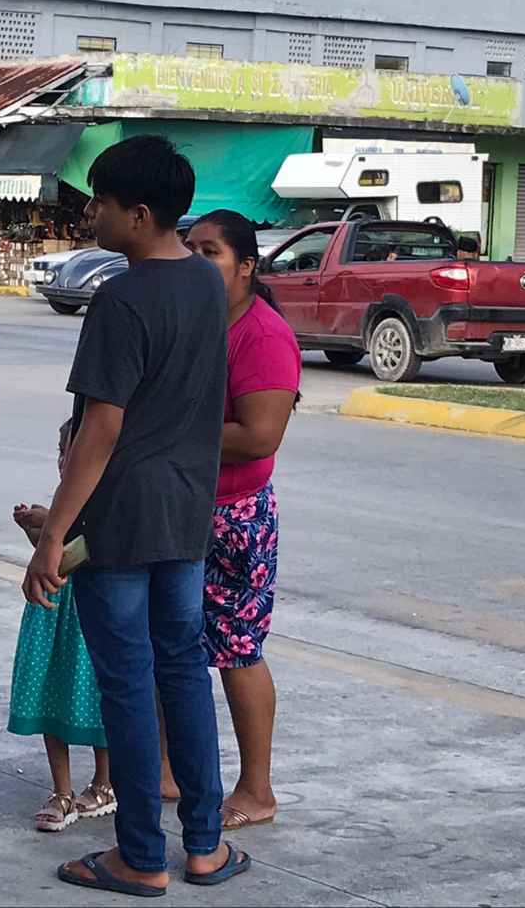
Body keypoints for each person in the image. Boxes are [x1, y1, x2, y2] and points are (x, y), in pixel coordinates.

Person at [25, 134, 250, 897]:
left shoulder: (121, 298)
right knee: (183, 672)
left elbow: (103, 427)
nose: (91, 213)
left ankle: (141, 856)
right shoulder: (201, 285)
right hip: (186, 513)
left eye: (102, 201)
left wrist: (53, 533)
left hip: (119, 519)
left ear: (139, 213)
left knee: (127, 681)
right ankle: (207, 847)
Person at [164, 210, 302, 832]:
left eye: (212, 251)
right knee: (170, 642)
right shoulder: (194, 322)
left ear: (247, 266)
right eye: (190, 248)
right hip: (179, 504)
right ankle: (168, 768)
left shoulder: (264, 336)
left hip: (234, 519)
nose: (196, 260)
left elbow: (259, 435)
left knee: (236, 649)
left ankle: (256, 789)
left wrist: (161, 434)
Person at [10, 419, 114, 832]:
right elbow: (56, 556)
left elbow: (90, 546)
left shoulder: (106, 504)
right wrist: (37, 533)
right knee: (50, 690)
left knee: (99, 696)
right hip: (54, 610)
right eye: (60, 452)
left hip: (91, 613)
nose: (63, 461)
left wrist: (53, 520)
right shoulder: (61, 506)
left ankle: (104, 782)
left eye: (71, 452)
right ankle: (62, 790)